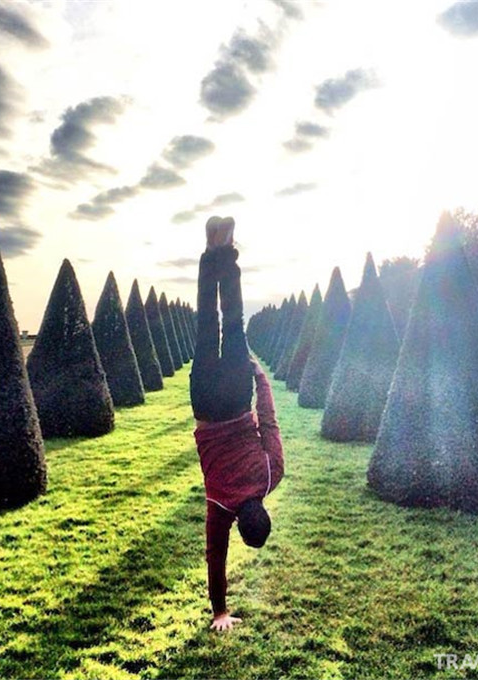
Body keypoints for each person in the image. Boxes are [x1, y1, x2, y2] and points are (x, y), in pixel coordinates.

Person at [190, 215, 284, 632]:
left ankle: (226, 251)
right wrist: (219, 612)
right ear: (239, 527)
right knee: (206, 324)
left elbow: (269, 422)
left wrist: (261, 378)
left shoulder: (271, 474)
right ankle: (210, 253)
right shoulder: (220, 506)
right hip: (206, 406)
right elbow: (215, 557)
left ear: (263, 510)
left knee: (233, 319)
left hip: (235, 395)